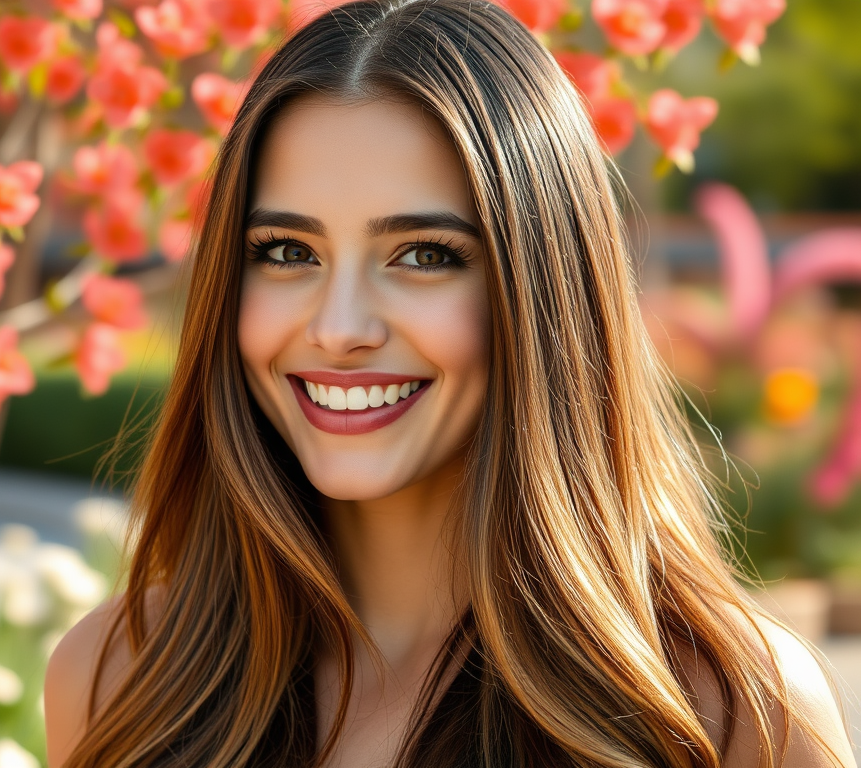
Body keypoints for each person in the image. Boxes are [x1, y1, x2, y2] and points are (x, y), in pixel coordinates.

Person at [43, 1, 856, 766]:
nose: (339, 325)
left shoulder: (736, 707)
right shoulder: (118, 679)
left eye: (426, 255)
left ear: (544, 295)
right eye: (289, 252)